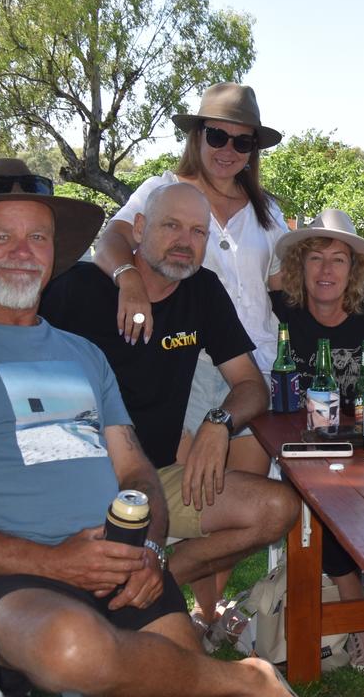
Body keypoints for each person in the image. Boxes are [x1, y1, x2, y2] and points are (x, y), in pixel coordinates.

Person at [0, 159, 294, 696]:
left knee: (167, 666)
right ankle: (245, 680)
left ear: (53, 251)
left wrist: (148, 550)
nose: (23, 252)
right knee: (72, 646)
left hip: (114, 562)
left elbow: (135, 470)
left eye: (37, 237)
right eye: (2, 236)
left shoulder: (82, 356)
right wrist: (54, 563)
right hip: (0, 576)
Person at [39, 182, 300, 638]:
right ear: (139, 229)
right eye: (171, 226)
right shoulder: (76, 290)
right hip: (81, 478)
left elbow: (249, 385)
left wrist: (218, 424)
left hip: (159, 478)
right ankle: (137, 595)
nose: (185, 241)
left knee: (275, 508)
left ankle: (162, 581)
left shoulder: (201, 290)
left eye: (198, 231)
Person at [93, 82, 288, 477]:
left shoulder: (266, 209)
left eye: (242, 142)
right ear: (197, 136)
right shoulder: (163, 190)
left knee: (246, 489)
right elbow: (110, 241)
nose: (228, 150)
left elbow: (284, 282)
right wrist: (128, 279)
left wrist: (358, 290)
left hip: (259, 365)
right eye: (217, 136)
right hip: (190, 357)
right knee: (189, 487)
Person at [269, 207, 364, 674]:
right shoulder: (283, 309)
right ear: (300, 266)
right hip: (306, 442)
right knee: (325, 495)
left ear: (355, 270)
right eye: (316, 258)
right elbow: (262, 283)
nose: (327, 270)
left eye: (339, 259)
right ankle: (363, 623)